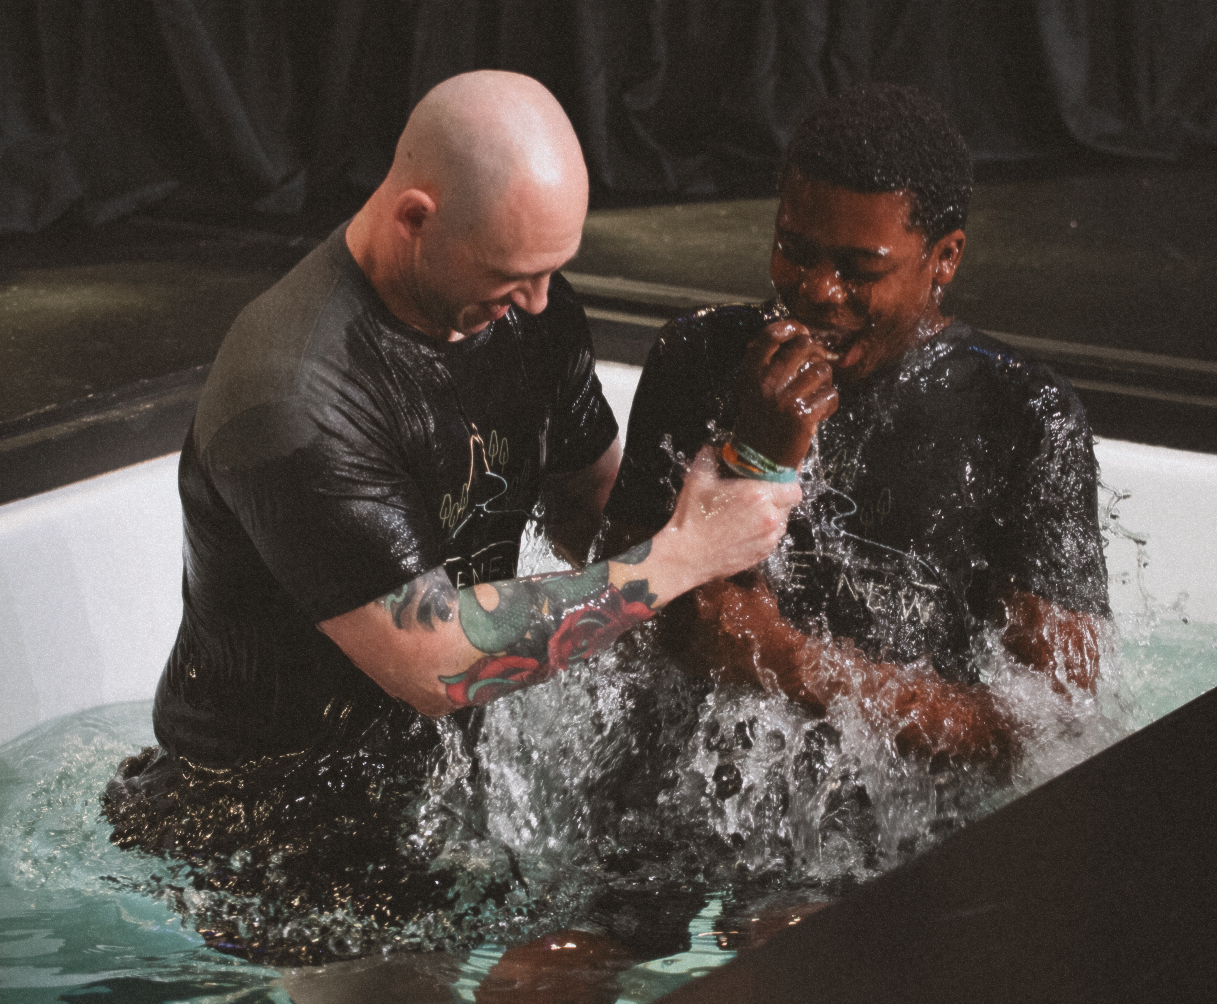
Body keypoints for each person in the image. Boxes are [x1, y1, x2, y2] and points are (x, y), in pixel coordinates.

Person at [102, 70, 809, 964]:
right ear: (414, 218)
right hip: (270, 823)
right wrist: (676, 559)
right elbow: (430, 665)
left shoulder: (527, 311)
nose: (539, 303)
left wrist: (748, 490)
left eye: (554, 271)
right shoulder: (293, 394)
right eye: (513, 276)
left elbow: (590, 507)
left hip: (427, 783)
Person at [602, 84, 1110, 772]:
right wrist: (749, 457)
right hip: (684, 801)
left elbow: (1051, 731)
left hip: (901, 837)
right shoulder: (696, 360)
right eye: (795, 249)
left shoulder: (1021, 416)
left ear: (945, 259)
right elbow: (616, 631)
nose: (816, 289)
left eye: (857, 268)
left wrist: (787, 660)